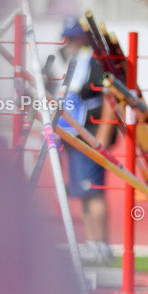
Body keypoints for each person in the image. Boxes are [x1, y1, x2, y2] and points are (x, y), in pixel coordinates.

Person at [52, 18, 116, 266]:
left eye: (73, 37)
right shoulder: (70, 62)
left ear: (83, 39)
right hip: (72, 137)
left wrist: (103, 135)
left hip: (90, 136)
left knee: (93, 191)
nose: (67, 42)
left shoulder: (95, 63)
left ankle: (101, 244)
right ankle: (92, 244)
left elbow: (110, 97)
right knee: (82, 192)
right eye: (66, 37)